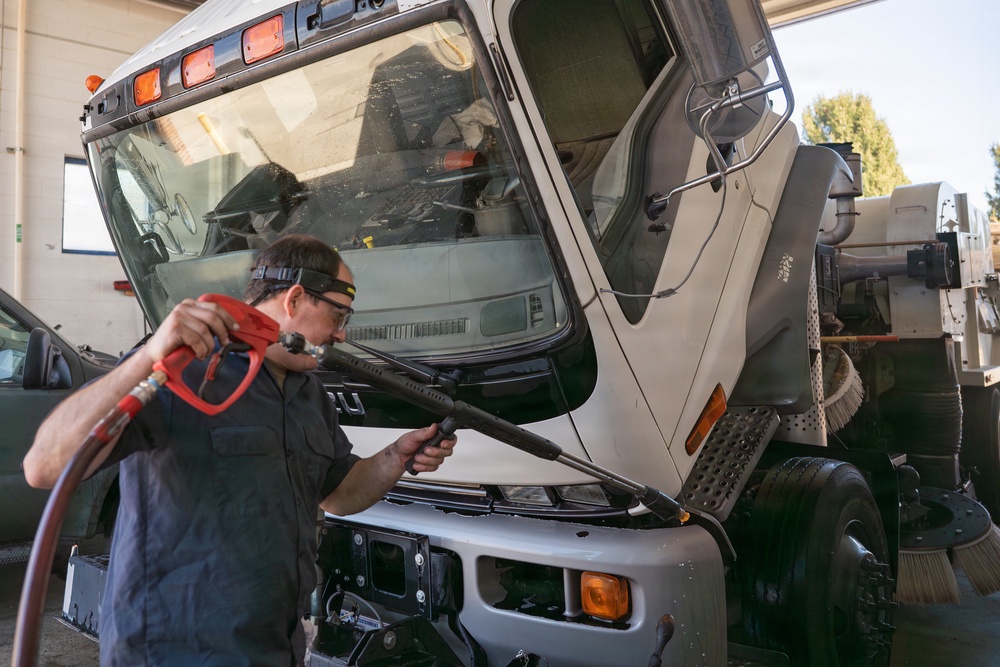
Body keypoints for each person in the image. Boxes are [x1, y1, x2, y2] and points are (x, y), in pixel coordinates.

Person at [23, 234, 457, 666]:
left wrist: (395, 457)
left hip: (274, 647)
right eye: (338, 314)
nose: (341, 334)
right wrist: (150, 357)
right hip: (174, 652)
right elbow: (43, 466)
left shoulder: (311, 397)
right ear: (295, 299)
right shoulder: (182, 370)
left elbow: (339, 493)